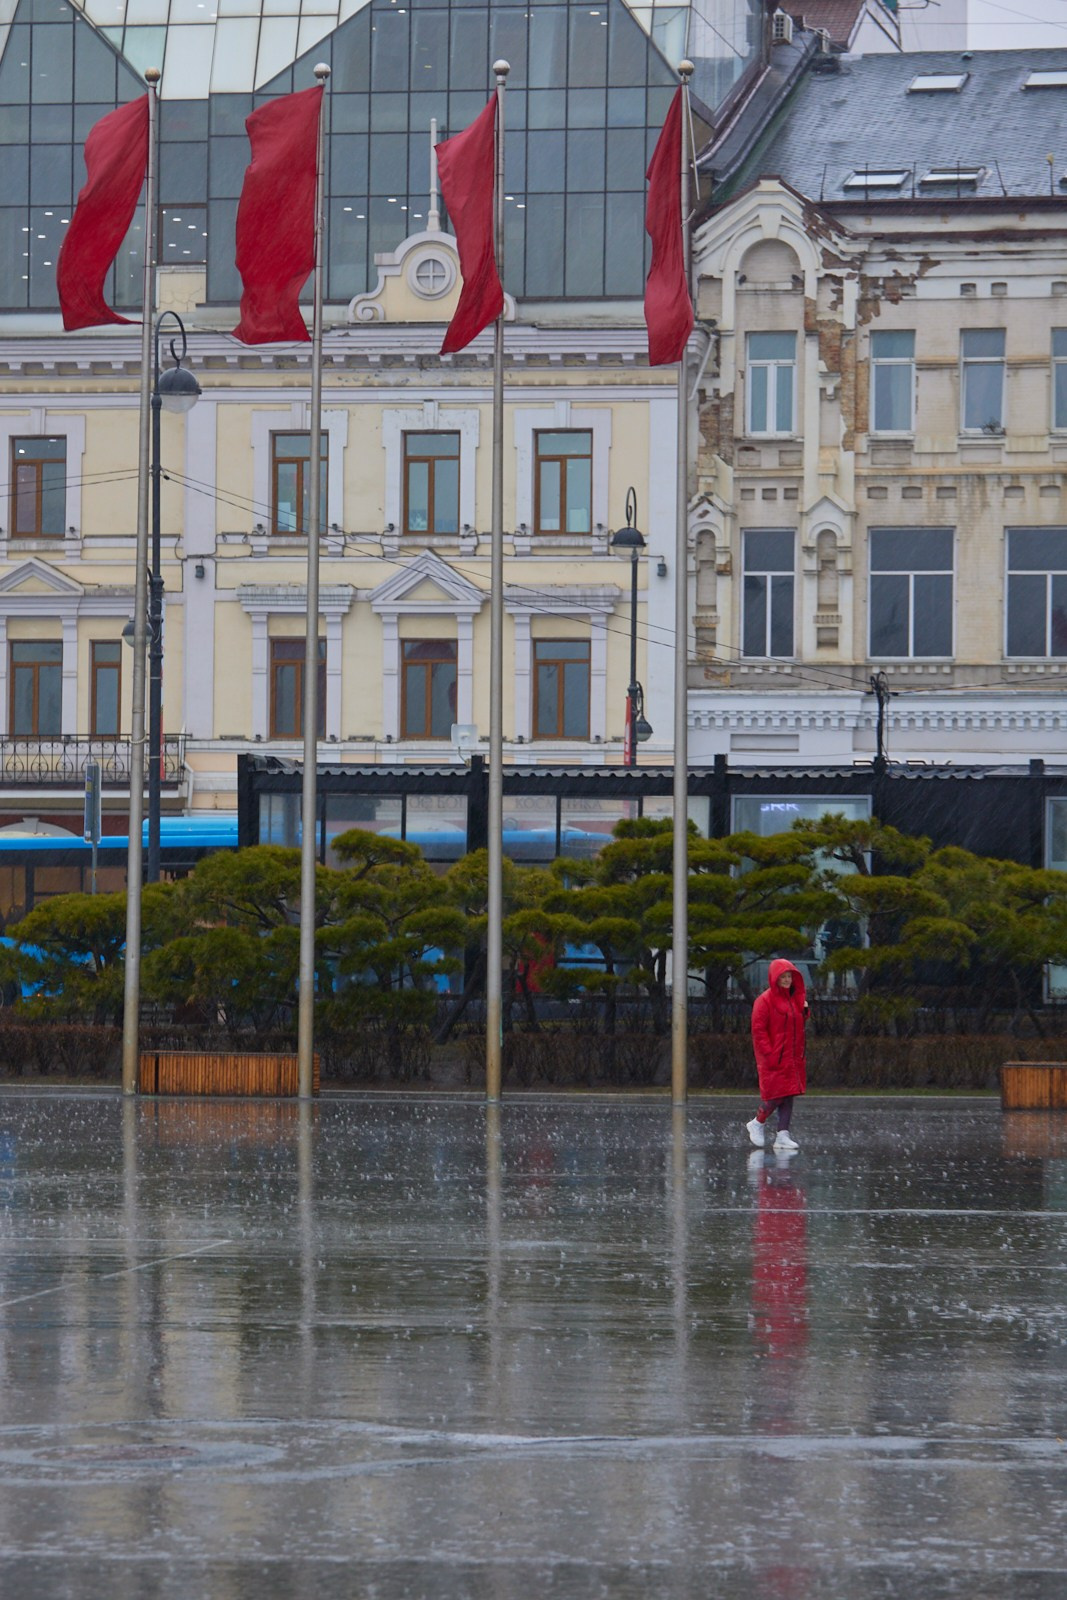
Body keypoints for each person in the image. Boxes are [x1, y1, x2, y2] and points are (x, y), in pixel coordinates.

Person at [746, 958, 808, 1154]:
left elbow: (796, 1024)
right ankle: (758, 1121)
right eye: (783, 976)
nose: (787, 980)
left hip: (791, 1057)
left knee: (788, 1094)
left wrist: (804, 1011)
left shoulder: (793, 999)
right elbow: (759, 1030)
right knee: (777, 1095)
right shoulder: (764, 1001)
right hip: (775, 1058)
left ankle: (783, 1134)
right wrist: (769, 1053)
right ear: (775, 978)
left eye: (790, 976)